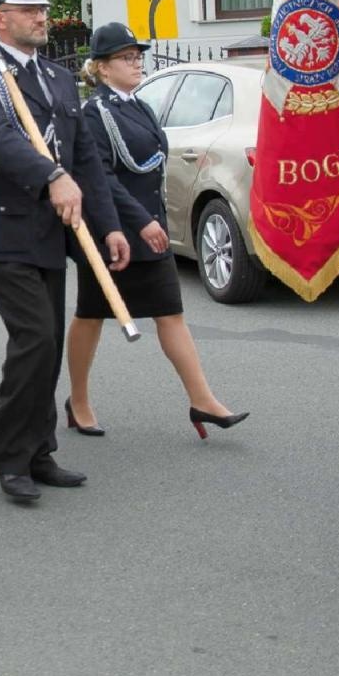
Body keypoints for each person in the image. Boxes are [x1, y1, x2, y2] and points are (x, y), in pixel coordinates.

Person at [0, 0, 128, 504]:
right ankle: (9, 458)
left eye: (45, 10)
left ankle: (40, 450)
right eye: (29, 10)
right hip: (4, 227)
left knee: (47, 346)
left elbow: (85, 162)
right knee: (34, 339)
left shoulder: (57, 78)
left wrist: (109, 227)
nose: (42, 18)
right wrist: (49, 176)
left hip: (53, 232)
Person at [65, 22, 246, 439]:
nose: (137, 63)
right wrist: (139, 221)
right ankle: (78, 400)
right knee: (91, 317)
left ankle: (203, 401)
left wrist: (154, 220)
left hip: (151, 229)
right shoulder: (95, 114)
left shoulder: (138, 106)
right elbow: (101, 179)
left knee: (171, 313)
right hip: (113, 231)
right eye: (127, 57)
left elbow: (151, 165)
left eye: (137, 55)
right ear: (103, 68)